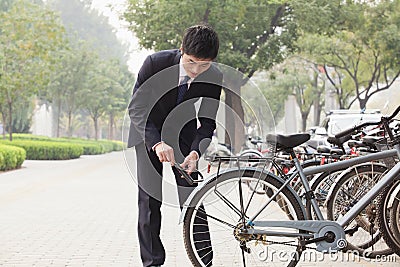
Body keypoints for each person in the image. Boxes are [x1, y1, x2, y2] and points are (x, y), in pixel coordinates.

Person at [127, 25, 223, 267]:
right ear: (182, 51)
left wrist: (195, 151)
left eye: (204, 65)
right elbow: (136, 108)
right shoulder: (154, 64)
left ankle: (204, 261)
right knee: (150, 201)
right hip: (148, 132)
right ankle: (152, 262)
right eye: (191, 62)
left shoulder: (215, 76)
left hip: (183, 134)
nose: (196, 70)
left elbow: (208, 120)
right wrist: (157, 143)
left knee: (192, 197)